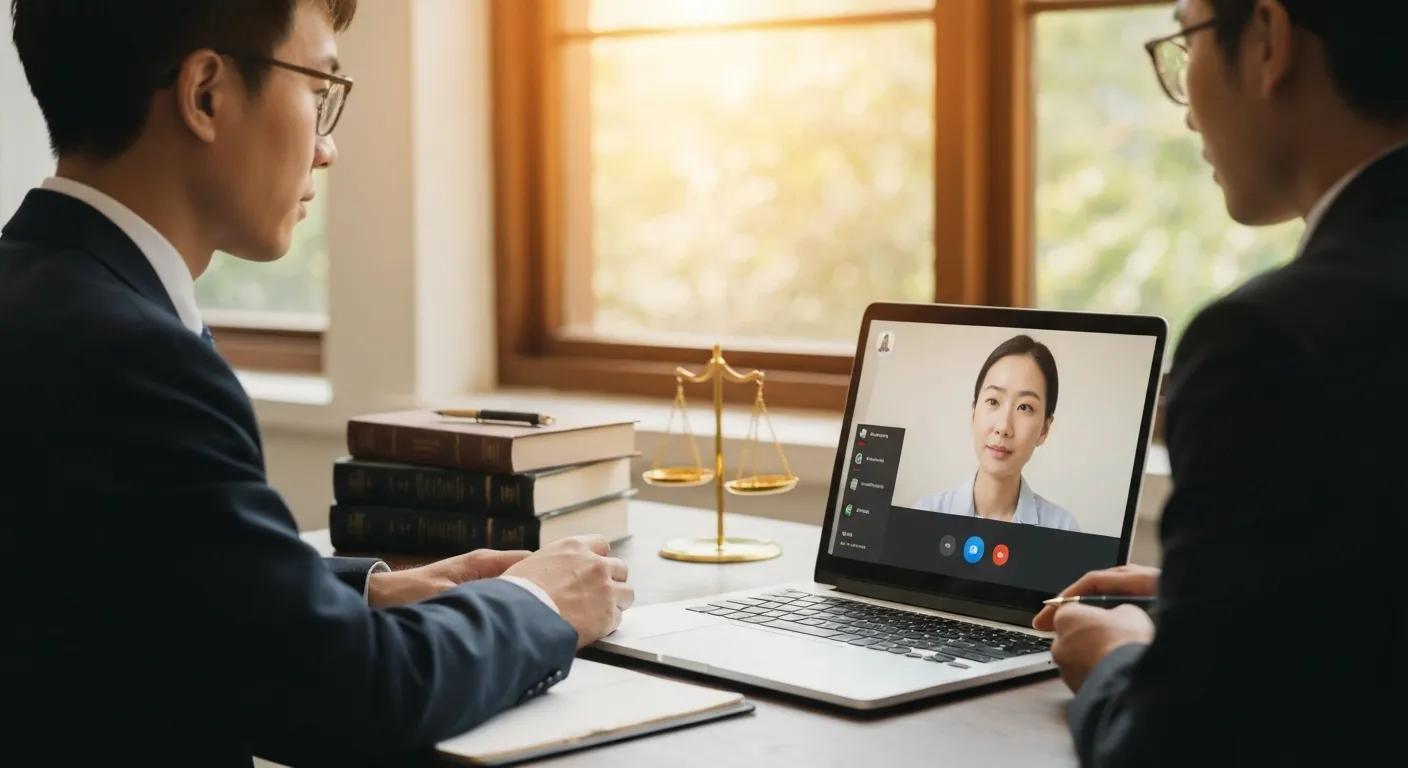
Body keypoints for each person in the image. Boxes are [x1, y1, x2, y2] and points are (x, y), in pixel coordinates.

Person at [0, 2, 633, 765]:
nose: (327, 149)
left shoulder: (43, 294)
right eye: (319, 90)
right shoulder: (131, 357)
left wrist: (360, 591)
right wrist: (540, 606)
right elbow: (348, 696)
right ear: (206, 94)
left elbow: (97, 569)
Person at [1034, 0, 1407, 763]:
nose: (1187, 114)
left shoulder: (1269, 341)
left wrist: (1115, 660)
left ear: (1269, 42)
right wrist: (1216, 599)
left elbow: (1177, 747)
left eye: (1185, 43)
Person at [914, 334, 1081, 531]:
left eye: (1025, 407)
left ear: (1044, 429)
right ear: (974, 412)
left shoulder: (1062, 529)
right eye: (993, 401)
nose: (1003, 427)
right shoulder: (924, 515)